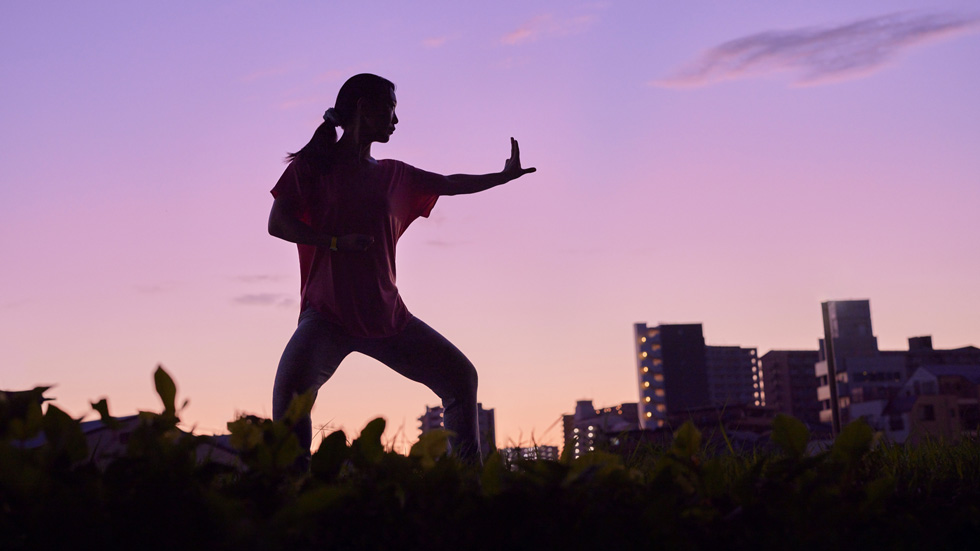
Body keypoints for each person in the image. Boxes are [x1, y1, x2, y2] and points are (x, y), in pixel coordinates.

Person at [268, 73, 535, 465]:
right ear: (363, 108)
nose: (395, 120)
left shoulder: (394, 174)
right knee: (289, 398)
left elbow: (449, 183)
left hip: (387, 318)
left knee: (461, 378)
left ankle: (469, 484)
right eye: (390, 109)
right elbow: (278, 223)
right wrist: (335, 242)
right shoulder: (313, 167)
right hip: (326, 317)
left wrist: (502, 176)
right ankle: (291, 491)